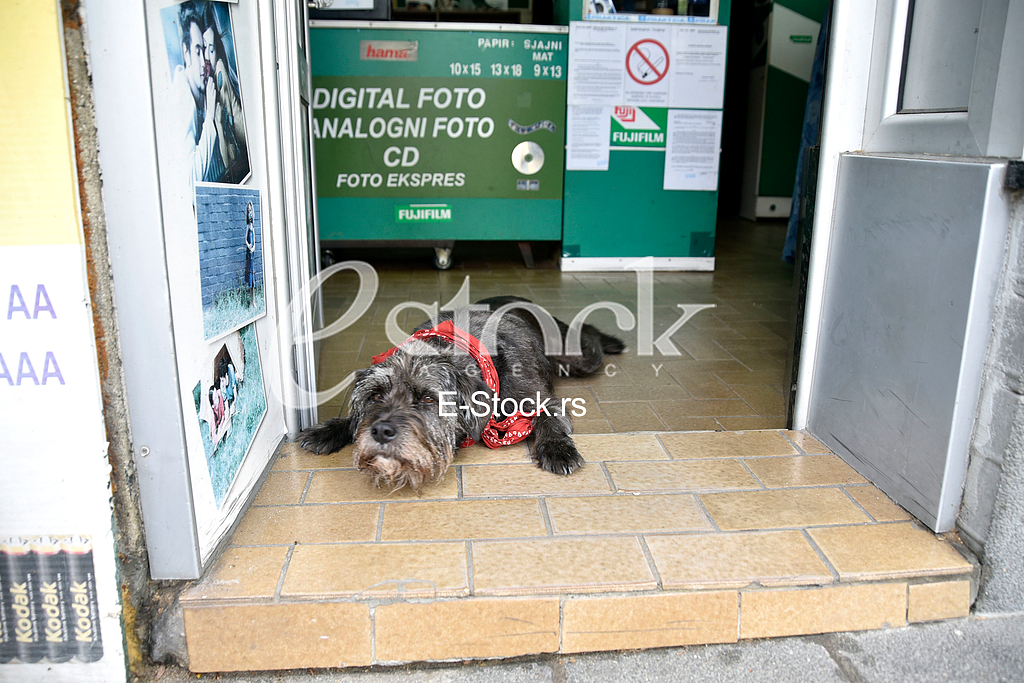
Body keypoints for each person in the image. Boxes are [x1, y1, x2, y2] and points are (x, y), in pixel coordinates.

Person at [172, 1, 226, 189]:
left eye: (204, 51)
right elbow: (191, 181)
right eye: (197, 51)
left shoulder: (196, 95)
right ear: (186, 53)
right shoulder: (182, 96)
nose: (204, 61)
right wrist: (210, 117)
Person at [201, 3, 248, 183]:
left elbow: (230, 158)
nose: (206, 56)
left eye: (210, 49)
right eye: (203, 48)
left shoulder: (220, 74)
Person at [244, 201, 256, 306]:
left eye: (250, 210)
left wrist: (254, 247)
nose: (250, 213)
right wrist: (249, 247)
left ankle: (253, 300)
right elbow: (246, 240)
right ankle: (250, 301)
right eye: (248, 211)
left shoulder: (253, 227)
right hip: (250, 253)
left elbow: (255, 240)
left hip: (253, 253)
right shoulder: (248, 226)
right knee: (250, 275)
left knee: (253, 274)